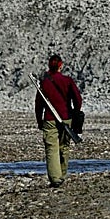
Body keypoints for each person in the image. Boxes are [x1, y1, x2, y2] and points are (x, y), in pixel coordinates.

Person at [34, 54, 83, 188]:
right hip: (66, 118)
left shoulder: (44, 83)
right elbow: (78, 99)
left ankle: (55, 179)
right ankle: (61, 174)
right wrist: (75, 112)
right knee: (64, 147)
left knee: (51, 149)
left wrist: (39, 121)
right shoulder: (67, 80)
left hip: (49, 119)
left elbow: (39, 104)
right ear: (61, 66)